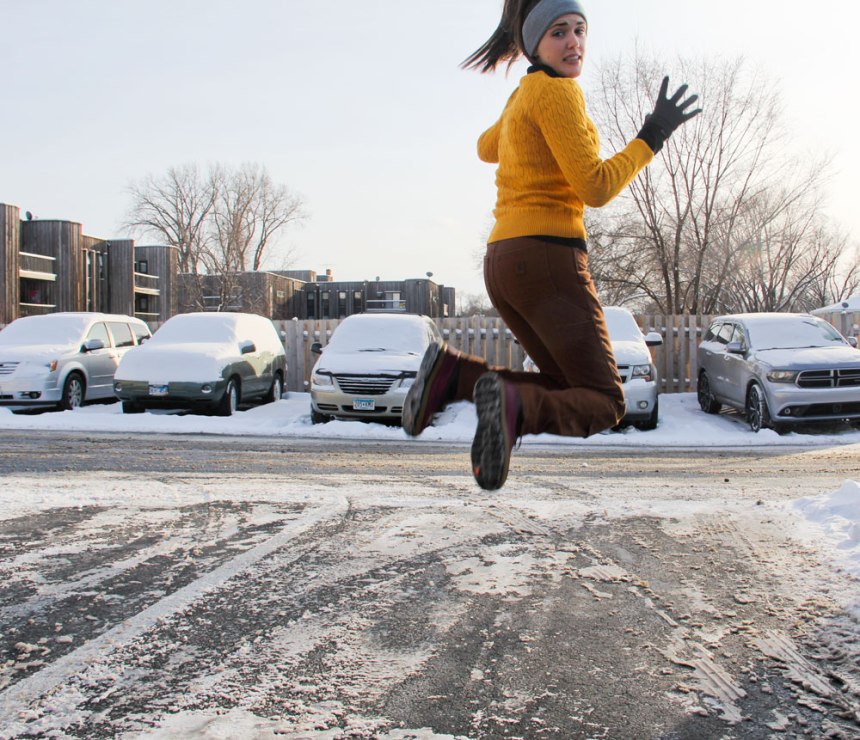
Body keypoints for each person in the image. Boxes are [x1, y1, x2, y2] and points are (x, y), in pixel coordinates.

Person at [402, 0, 700, 491]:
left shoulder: (527, 93)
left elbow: (484, 146)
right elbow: (596, 187)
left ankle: (453, 377)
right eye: (559, 32)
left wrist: (517, 111)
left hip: (503, 261)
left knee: (567, 387)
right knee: (605, 401)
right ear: (535, 44)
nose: (573, 42)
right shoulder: (558, 93)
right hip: (548, 257)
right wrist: (651, 136)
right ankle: (512, 406)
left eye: (580, 30)